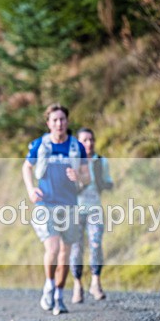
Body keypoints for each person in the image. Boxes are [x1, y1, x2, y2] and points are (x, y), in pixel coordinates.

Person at [22, 104, 89, 315]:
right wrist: (31, 189)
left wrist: (79, 177)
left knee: (65, 253)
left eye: (62, 119)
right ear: (48, 123)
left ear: (67, 122)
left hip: (69, 205)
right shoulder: (40, 145)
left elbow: (87, 177)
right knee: (53, 249)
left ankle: (59, 296)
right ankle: (49, 285)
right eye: (55, 120)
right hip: (46, 204)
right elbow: (27, 167)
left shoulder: (77, 147)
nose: (59, 123)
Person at [70, 128, 114, 303]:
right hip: (74, 211)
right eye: (84, 140)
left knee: (96, 244)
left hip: (95, 209)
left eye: (91, 140)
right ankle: (77, 285)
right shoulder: (72, 162)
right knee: (76, 249)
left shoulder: (101, 162)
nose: (89, 143)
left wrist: (106, 184)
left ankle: (95, 282)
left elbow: (107, 181)